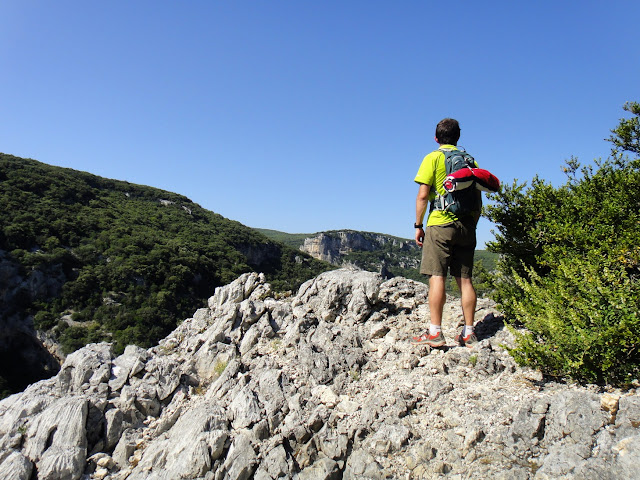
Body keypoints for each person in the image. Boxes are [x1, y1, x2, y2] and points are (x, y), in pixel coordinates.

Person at [411, 118, 480, 348]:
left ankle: (435, 332)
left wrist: (418, 225)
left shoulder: (433, 158)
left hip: (440, 224)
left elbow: (423, 195)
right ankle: (469, 333)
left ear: (436, 137)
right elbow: (478, 197)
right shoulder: (470, 161)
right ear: (458, 137)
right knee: (465, 279)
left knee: (437, 276)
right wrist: (472, 224)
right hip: (467, 226)